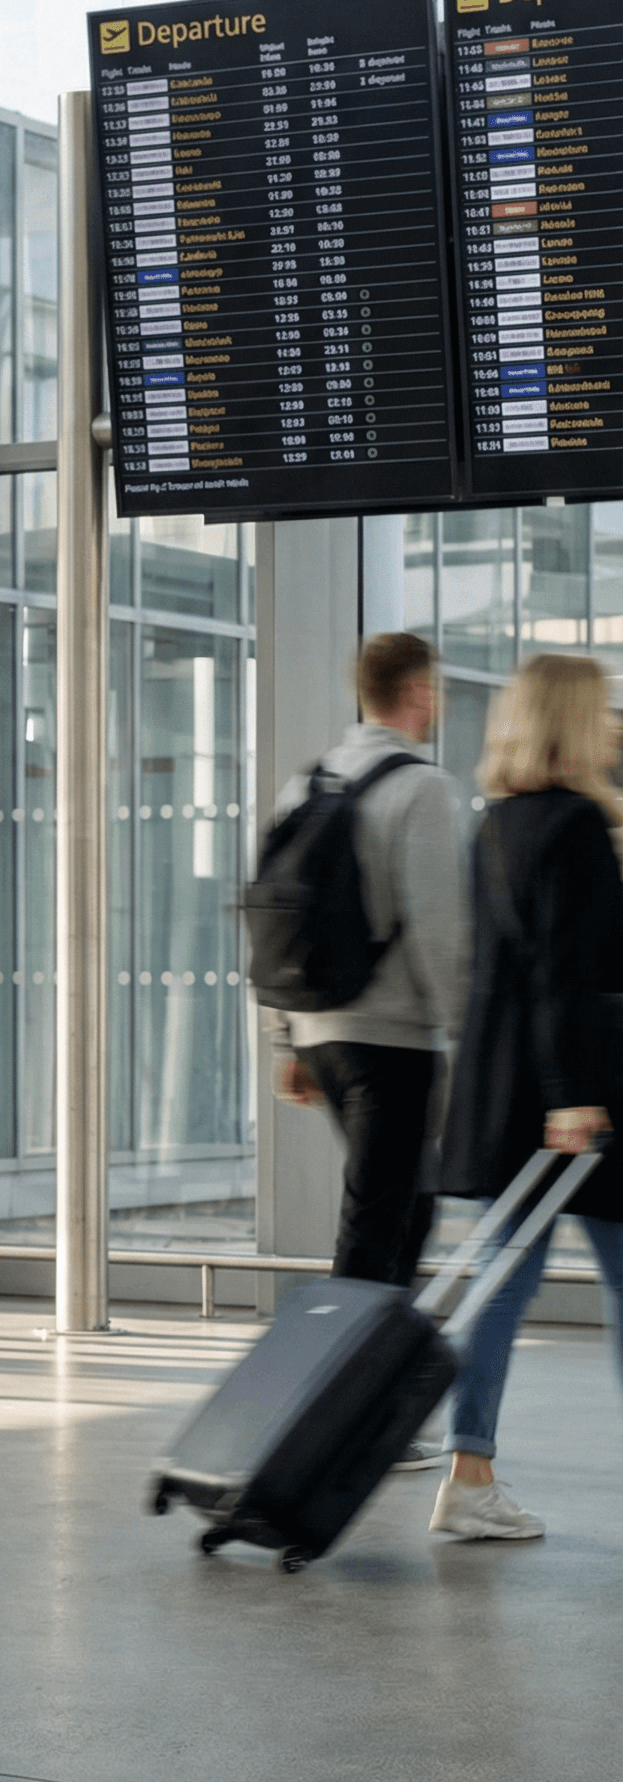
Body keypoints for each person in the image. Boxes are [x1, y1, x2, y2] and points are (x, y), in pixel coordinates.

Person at [431, 652, 623, 1541]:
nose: (615, 722)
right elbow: (565, 972)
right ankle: (466, 1478)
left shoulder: (497, 821)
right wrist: (575, 1095)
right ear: (575, 722)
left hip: (505, 1089)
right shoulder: (578, 823)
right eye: (605, 709)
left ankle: (469, 1475)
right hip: (575, 1098)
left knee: (504, 1280)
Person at [272, 632, 470, 1303]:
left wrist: (286, 1038)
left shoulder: (306, 781)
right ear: (417, 692)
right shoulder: (424, 788)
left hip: (321, 1035)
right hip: (393, 1041)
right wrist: (467, 1032)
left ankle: (380, 1365)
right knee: (380, 1221)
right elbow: (439, 931)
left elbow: (275, 914)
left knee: (405, 1207)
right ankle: (337, 1386)